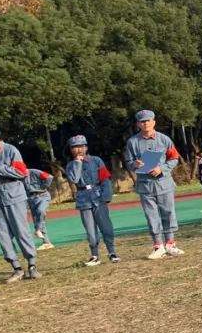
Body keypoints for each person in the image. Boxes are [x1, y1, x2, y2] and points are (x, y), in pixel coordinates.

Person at [0, 121, 40, 281]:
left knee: (21, 231)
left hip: (14, 195)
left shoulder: (10, 150)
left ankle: (32, 265)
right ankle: (16, 267)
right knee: (2, 234)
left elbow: (21, 172)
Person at [125, 109, 183, 258]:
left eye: (148, 120)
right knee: (151, 216)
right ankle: (158, 246)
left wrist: (162, 169)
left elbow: (174, 158)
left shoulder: (164, 139)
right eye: (142, 121)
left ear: (154, 122)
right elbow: (128, 162)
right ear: (138, 124)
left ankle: (171, 244)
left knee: (168, 213)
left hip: (163, 182)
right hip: (145, 185)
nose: (146, 124)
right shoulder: (132, 142)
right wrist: (135, 164)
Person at [64, 135, 118, 265]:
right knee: (90, 229)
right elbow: (74, 180)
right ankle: (94, 255)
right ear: (71, 150)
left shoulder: (96, 160)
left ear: (86, 147)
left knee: (106, 227)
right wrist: (77, 163)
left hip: (98, 195)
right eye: (75, 147)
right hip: (83, 198)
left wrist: (106, 196)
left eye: (82, 146)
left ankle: (112, 252)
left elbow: (105, 178)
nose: (79, 150)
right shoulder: (71, 165)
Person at [24, 167, 55, 249]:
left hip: (42, 195)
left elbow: (49, 177)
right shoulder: (17, 176)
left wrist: (44, 187)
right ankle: (47, 242)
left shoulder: (34, 172)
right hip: (30, 198)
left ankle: (38, 230)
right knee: (36, 218)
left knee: (41, 211)